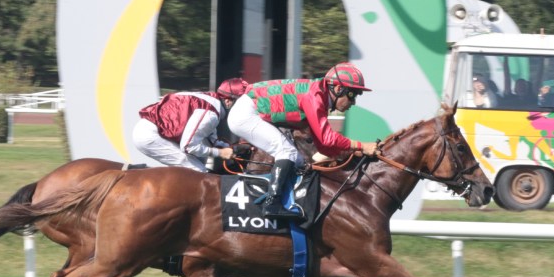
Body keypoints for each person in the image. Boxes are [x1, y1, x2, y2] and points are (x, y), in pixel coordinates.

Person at [228, 62, 378, 219]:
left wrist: (355, 152)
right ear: (339, 89)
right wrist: (361, 146)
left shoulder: (319, 95)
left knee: (298, 160)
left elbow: (324, 146)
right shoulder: (315, 96)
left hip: (249, 111)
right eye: (353, 95)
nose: (353, 102)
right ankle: (272, 204)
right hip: (246, 115)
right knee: (287, 152)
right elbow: (327, 138)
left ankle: (288, 201)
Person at [132, 77, 250, 172]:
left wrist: (233, 148)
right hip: (150, 135)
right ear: (228, 101)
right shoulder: (211, 114)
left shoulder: (212, 102)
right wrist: (220, 153)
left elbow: (210, 140)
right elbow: (189, 146)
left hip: (152, 131)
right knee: (199, 173)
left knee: (201, 165)